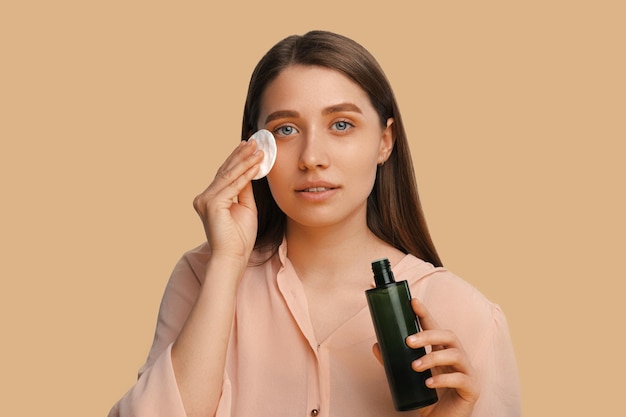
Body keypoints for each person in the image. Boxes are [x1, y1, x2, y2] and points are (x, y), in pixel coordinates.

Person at [108, 30, 521, 417]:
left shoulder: (467, 317)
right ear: (257, 149)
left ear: (385, 141)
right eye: (285, 129)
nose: (311, 157)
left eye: (341, 124)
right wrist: (226, 263)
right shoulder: (202, 277)